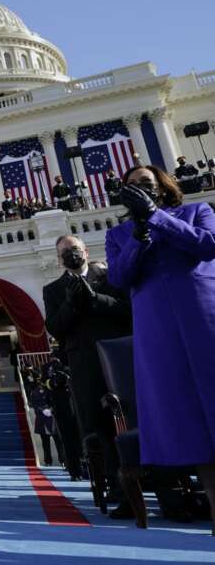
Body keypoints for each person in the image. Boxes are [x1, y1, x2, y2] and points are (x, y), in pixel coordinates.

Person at [107, 164, 215, 532]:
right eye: (133, 186)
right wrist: (139, 234)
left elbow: (207, 245)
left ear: (163, 187)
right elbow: (119, 277)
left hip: (202, 312)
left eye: (147, 183)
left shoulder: (196, 211)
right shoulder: (120, 232)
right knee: (183, 410)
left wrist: (157, 217)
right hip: (157, 325)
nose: (140, 188)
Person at [43, 234, 132, 517]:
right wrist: (71, 303)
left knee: (132, 416)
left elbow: (125, 309)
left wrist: (95, 299)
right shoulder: (54, 289)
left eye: (76, 249)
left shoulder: (106, 275)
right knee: (98, 424)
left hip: (117, 355)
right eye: (66, 252)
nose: (72, 254)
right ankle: (118, 489)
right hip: (83, 363)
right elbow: (55, 328)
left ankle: (161, 485)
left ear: (85, 250)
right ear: (59, 259)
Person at [29, 383, 63, 467]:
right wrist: (42, 410)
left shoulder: (50, 389)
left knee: (58, 441)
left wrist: (51, 409)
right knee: (45, 442)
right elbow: (34, 404)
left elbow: (54, 401)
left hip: (52, 417)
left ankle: (62, 460)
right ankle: (48, 461)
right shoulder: (34, 392)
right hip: (42, 418)